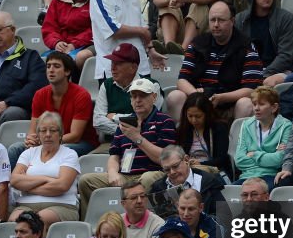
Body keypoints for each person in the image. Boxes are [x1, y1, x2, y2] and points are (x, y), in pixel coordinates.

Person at [77, 78, 175, 213]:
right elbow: (114, 155)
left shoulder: (165, 121)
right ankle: (96, 222)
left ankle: (148, 219)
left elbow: (165, 159)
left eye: (142, 96)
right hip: (125, 176)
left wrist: (137, 138)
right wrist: (112, 173)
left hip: (151, 173)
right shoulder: (124, 123)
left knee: (148, 178)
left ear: (154, 97)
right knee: (86, 181)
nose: (138, 100)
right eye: (134, 96)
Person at [165, 1, 263, 122]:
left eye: (221, 20)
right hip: (198, 103)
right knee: (175, 97)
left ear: (232, 21)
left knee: (246, 103)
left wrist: (222, 98)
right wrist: (196, 95)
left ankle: (238, 140)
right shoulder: (197, 44)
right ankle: (183, 138)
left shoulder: (246, 47)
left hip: (230, 104)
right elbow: (182, 80)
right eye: (212, 20)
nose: (216, 24)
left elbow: (251, 89)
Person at [9, 52, 97, 166]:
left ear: (67, 71)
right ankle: (12, 183)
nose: (51, 70)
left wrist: (45, 141)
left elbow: (75, 136)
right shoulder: (40, 94)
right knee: (15, 149)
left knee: (62, 150)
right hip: (46, 141)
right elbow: (33, 130)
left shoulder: (81, 95)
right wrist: (31, 140)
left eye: (56, 66)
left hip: (78, 143)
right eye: (48, 66)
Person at [90, 0, 164, 81]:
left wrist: (150, 49)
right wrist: (141, 31)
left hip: (140, 67)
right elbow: (114, 30)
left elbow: (142, 25)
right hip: (113, 71)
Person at [232, 0, 293, 84]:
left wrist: (264, 73)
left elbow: (285, 56)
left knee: (269, 83)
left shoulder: (286, 18)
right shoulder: (240, 20)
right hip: (248, 70)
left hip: (278, 71)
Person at [92, 43, 165, 140]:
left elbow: (148, 120)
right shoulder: (106, 85)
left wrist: (115, 117)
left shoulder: (151, 86)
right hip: (113, 143)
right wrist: (126, 132)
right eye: (112, 62)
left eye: (118, 63)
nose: (113, 68)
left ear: (133, 67)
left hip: (146, 141)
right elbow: (98, 121)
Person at [234, 86, 292, 185]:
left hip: (271, 176)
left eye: (261, 104)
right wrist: (269, 158)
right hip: (247, 177)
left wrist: (254, 154)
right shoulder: (246, 124)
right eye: (254, 104)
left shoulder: (286, 126)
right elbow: (239, 160)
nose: (256, 108)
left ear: (274, 107)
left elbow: (280, 159)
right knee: (227, 196)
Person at [150, 145, 226, 215]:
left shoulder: (208, 181)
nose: (172, 172)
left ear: (186, 159)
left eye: (175, 166)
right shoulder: (158, 187)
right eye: (167, 170)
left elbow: (223, 216)